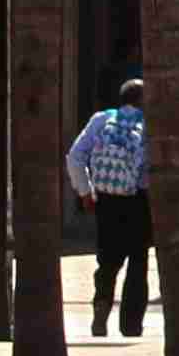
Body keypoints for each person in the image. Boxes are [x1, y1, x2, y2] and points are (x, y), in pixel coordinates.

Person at [65, 74, 152, 337]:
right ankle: (131, 325)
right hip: (138, 200)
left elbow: (75, 156)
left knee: (108, 261)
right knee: (138, 261)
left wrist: (85, 191)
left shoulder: (101, 119)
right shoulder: (149, 124)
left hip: (106, 200)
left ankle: (101, 310)